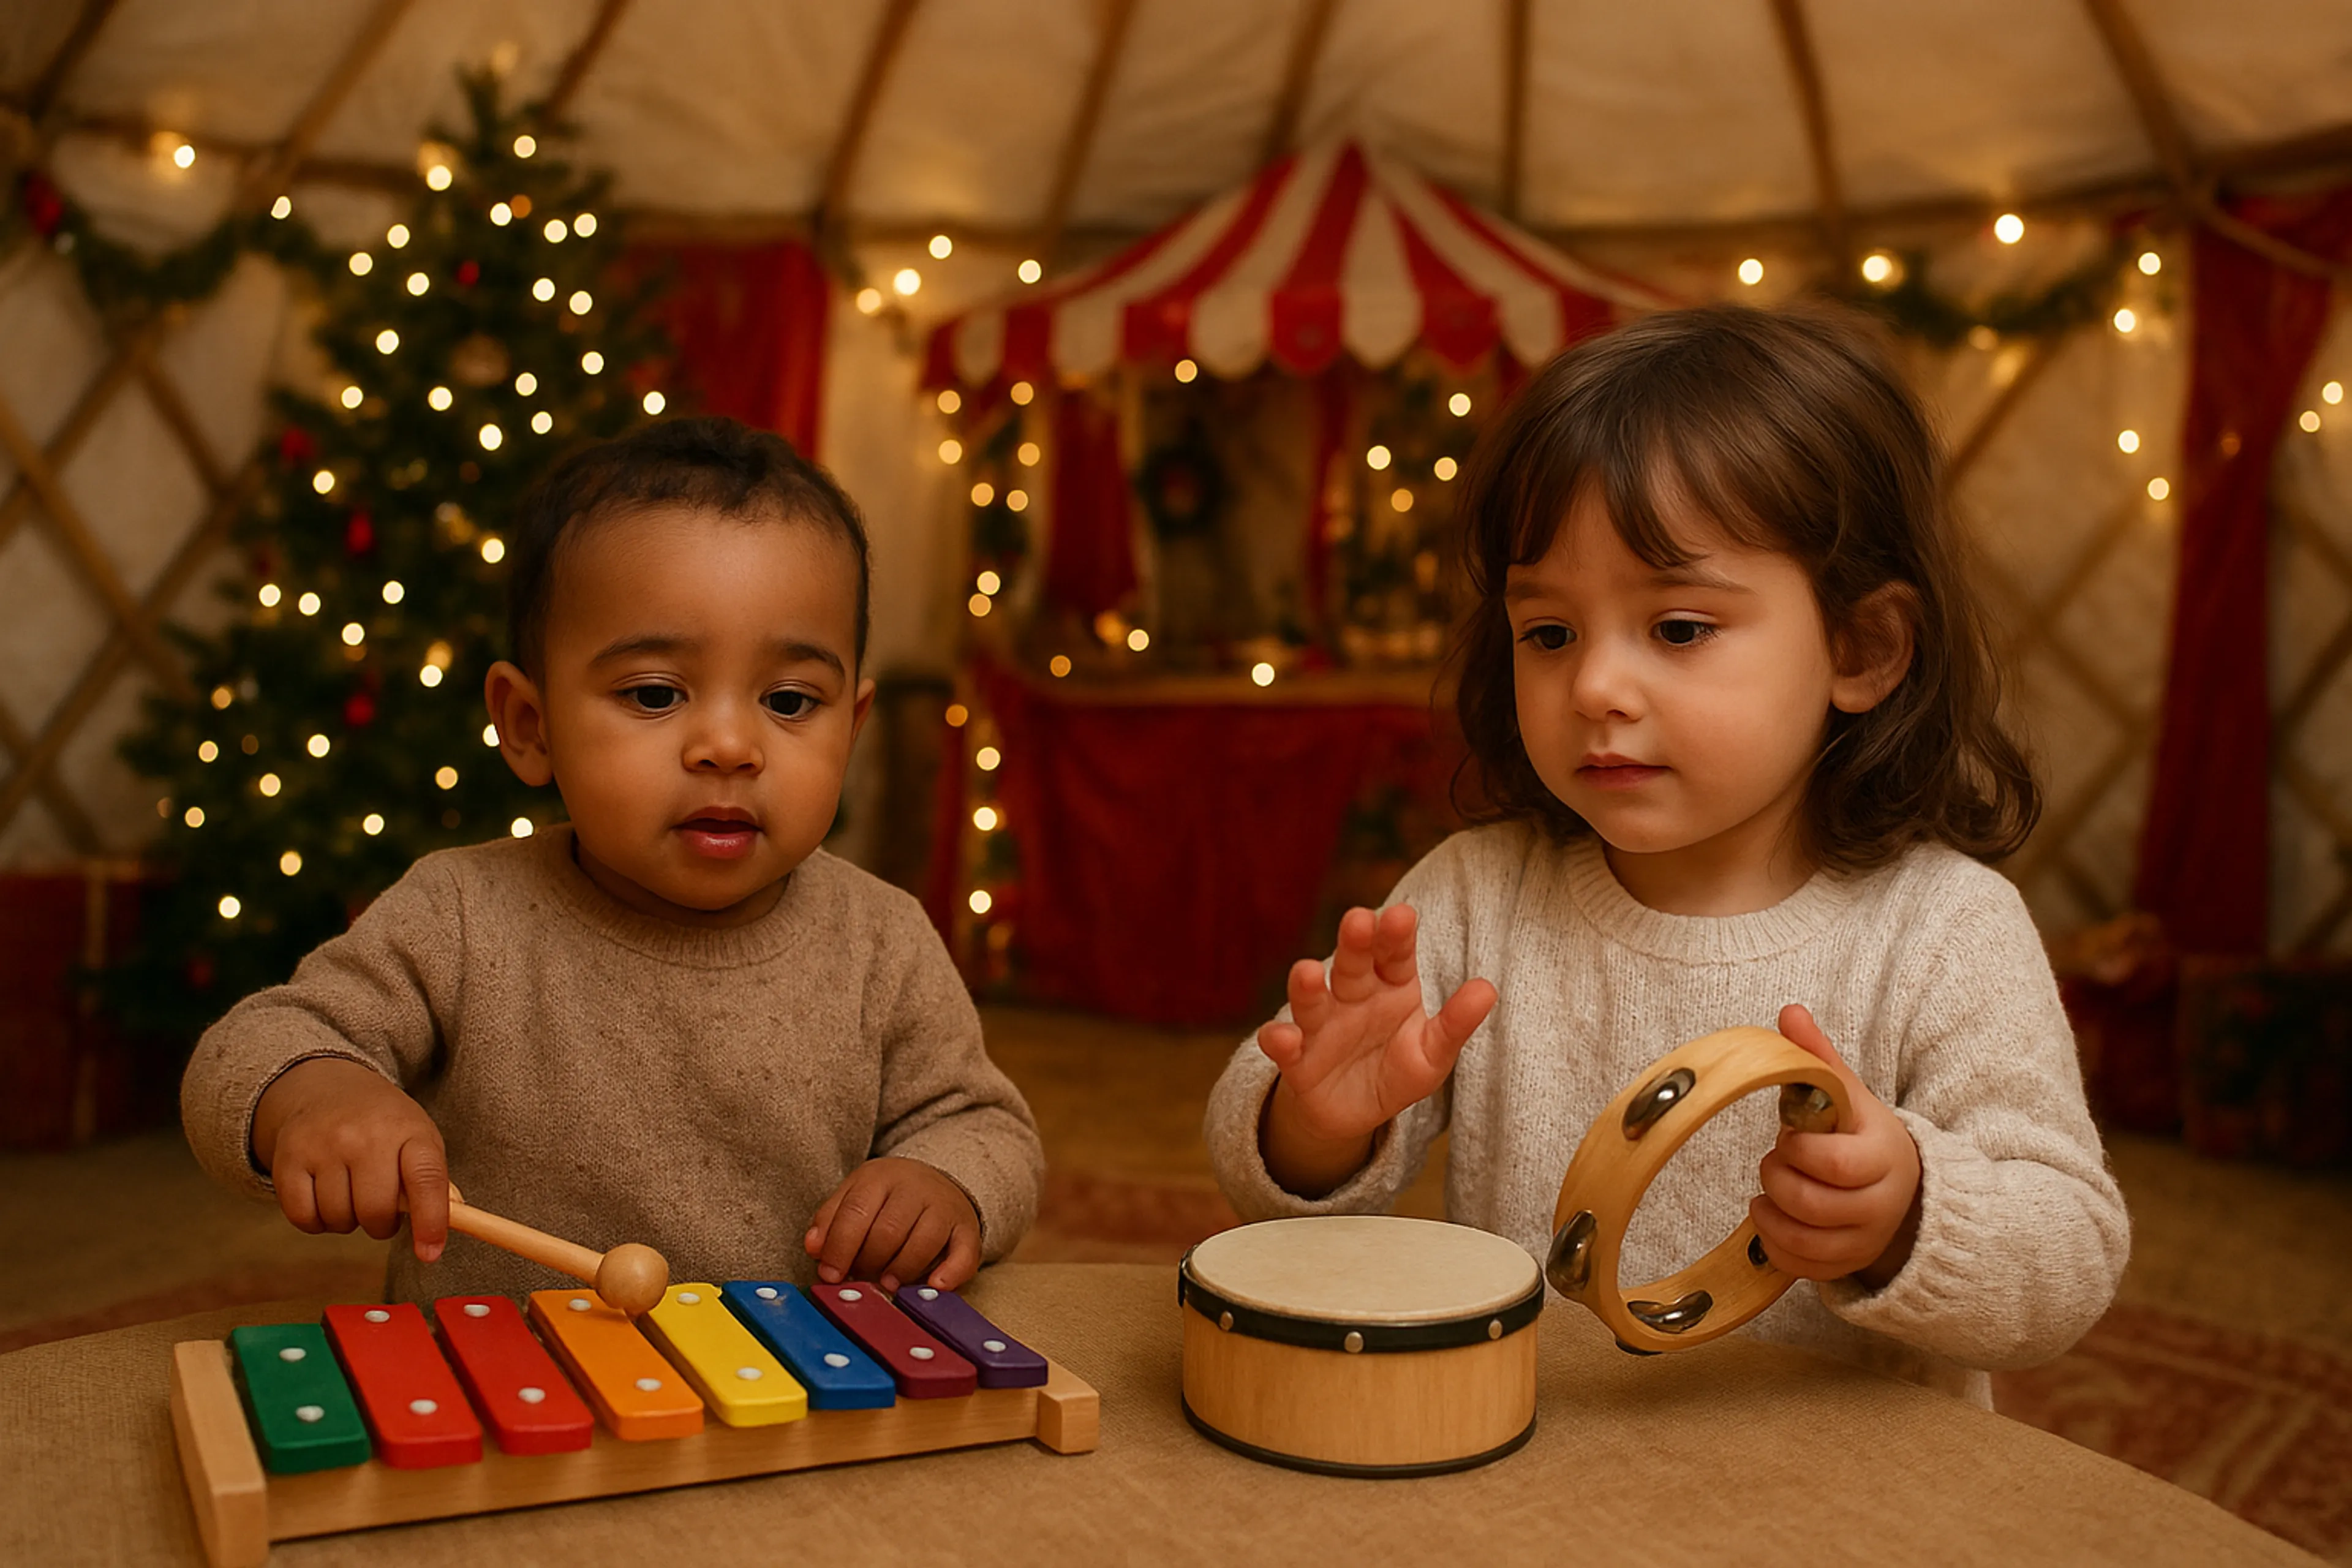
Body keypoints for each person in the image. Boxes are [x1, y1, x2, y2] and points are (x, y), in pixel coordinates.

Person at [1204, 306, 2128, 1405]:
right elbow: (1263, 1185)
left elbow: (2068, 1254)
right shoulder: (1472, 899)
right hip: (1535, 1470)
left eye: (1679, 628)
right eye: (1548, 633)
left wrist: (1907, 1210)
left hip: (1844, 1510)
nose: (1594, 687)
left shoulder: (1943, 930)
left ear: (1863, 647)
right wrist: (1314, 1122)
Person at [183, 417, 1042, 1306]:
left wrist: (945, 1183)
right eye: (656, 693)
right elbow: (248, 1048)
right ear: (530, 725)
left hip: (783, 1404)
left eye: (790, 701)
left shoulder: (882, 941)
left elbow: (987, 1127)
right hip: (499, 1401)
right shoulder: (462, 915)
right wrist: (315, 1093)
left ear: (850, 730)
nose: (729, 746)